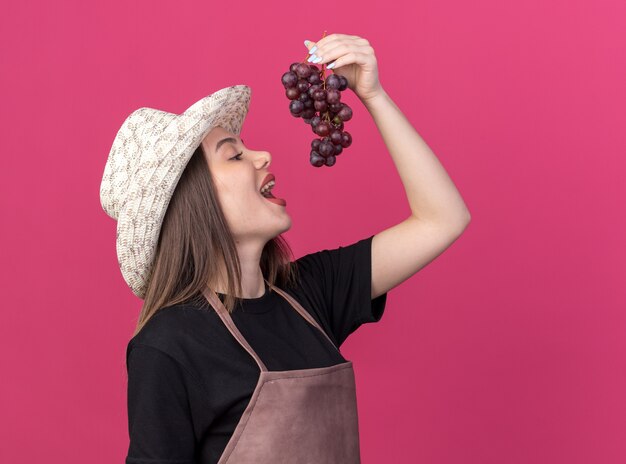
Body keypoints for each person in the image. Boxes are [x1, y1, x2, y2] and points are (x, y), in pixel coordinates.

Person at [100, 33, 471, 464]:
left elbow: (443, 219)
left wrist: (374, 96)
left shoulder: (311, 293)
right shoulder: (167, 345)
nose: (262, 156)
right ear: (194, 200)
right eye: (234, 156)